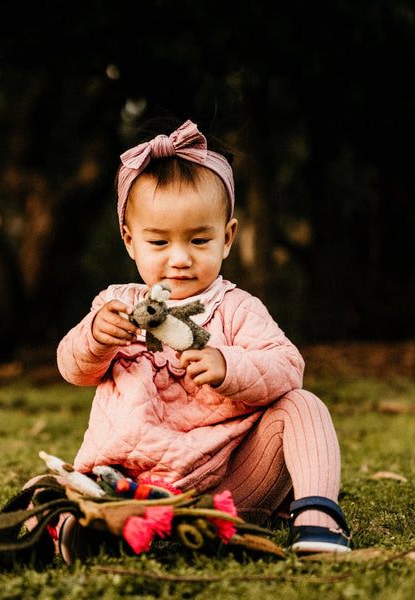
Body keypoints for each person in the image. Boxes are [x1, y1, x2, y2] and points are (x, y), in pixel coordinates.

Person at [52, 120, 351, 558]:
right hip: (130, 482)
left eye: (198, 239)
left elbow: (287, 367)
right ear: (130, 241)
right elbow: (71, 367)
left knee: (303, 406)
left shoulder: (237, 308)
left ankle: (318, 520)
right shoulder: (114, 305)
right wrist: (95, 338)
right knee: (64, 489)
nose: (180, 258)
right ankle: (87, 529)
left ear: (226, 238)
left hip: (226, 488)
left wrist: (229, 365)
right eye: (158, 241)